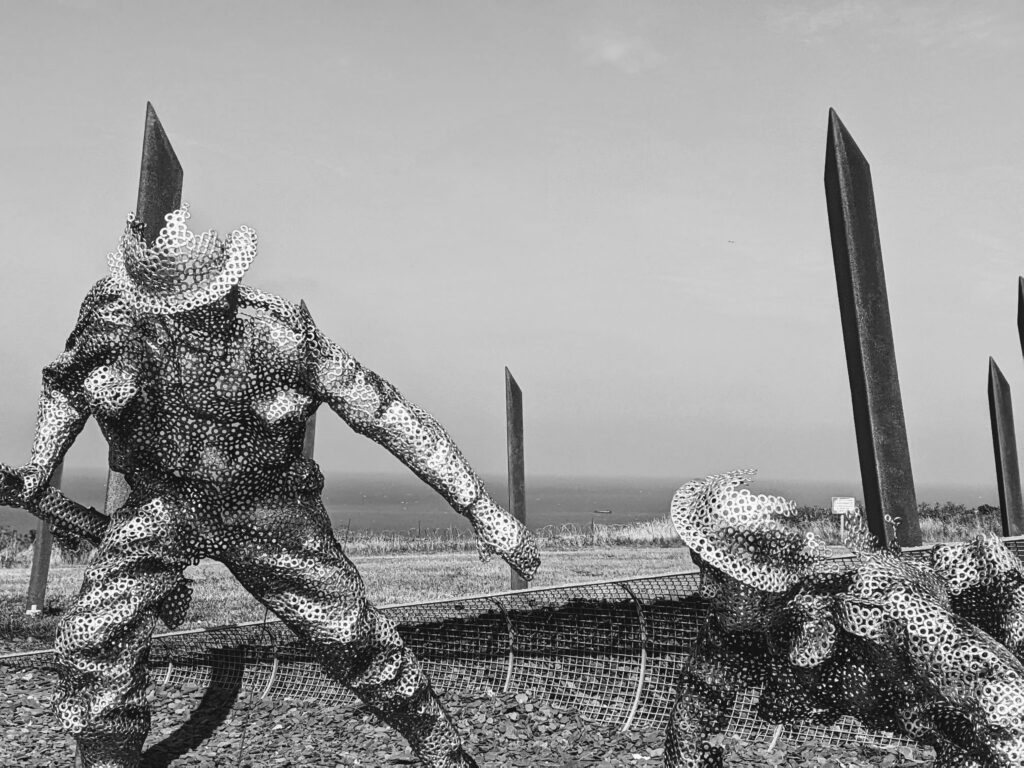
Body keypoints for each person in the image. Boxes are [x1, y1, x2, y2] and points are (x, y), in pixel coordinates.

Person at [0, 204, 540, 768]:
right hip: (167, 501)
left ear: (218, 297)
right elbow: (66, 385)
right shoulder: (114, 313)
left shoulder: (280, 336)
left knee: (348, 631)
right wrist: (41, 465)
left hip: (267, 507)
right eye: (152, 311)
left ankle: (439, 746)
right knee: (91, 636)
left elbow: (386, 412)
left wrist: (480, 508)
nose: (163, 324)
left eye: (181, 314)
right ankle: (109, 760)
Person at [665, 470, 1024, 768]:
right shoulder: (735, 630)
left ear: (766, 579)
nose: (705, 591)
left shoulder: (879, 609)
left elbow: (1006, 697)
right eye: (702, 569)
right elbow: (693, 716)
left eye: (720, 575)